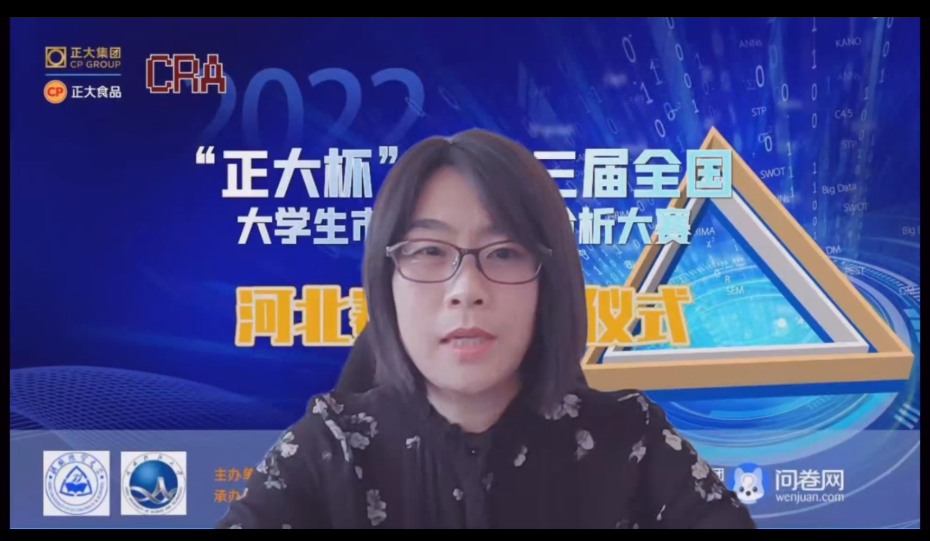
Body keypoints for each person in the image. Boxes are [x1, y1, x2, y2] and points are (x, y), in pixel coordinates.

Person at [217, 129, 756, 529]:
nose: (466, 288)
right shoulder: (327, 450)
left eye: (503, 252)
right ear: (387, 282)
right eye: (429, 251)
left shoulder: (631, 440)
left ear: (549, 282)